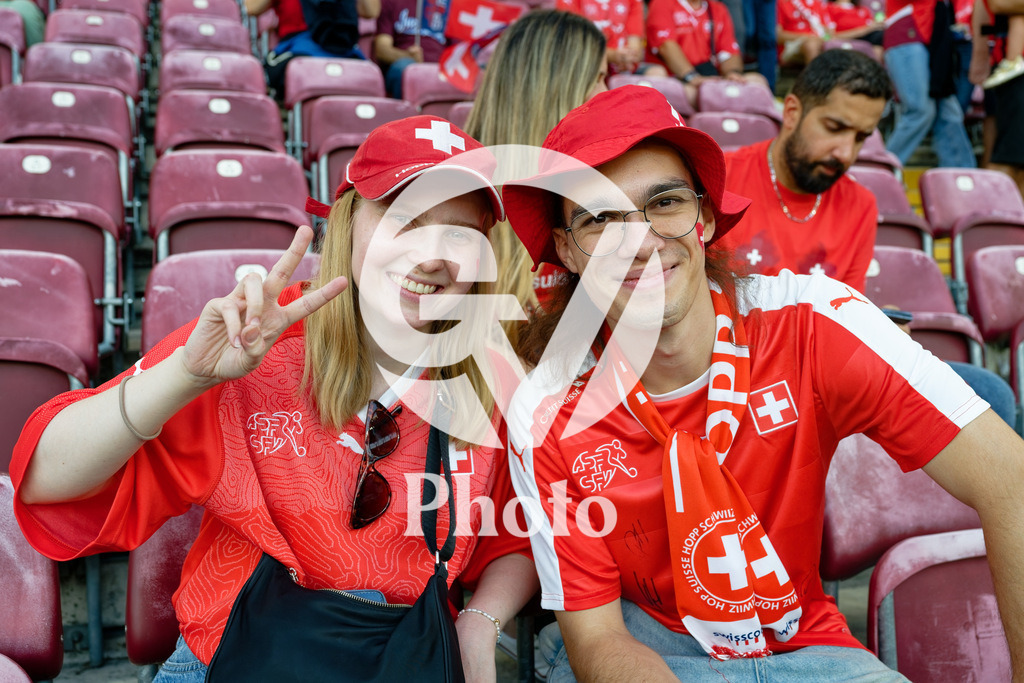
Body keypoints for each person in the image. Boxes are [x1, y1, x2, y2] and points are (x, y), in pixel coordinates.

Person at [501, 85, 1024, 681]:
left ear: (703, 215)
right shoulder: (546, 408)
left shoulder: (814, 321)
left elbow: (1012, 482)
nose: (641, 241)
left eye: (665, 203)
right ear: (567, 251)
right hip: (649, 647)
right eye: (600, 219)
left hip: (809, 647)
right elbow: (598, 640)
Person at [11, 116, 538, 681]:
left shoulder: (492, 377)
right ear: (347, 221)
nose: (432, 257)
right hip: (237, 658)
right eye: (404, 218)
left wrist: (481, 622)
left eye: (459, 233)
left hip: (404, 659)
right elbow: (48, 479)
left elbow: (519, 533)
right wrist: (187, 375)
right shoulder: (255, 340)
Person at [463, 8, 608, 340]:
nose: (607, 92)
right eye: (598, 77)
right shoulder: (456, 201)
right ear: (558, 88)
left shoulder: (602, 189)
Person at [720, 48, 892, 293]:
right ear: (791, 113)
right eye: (834, 128)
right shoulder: (718, 180)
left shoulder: (860, 205)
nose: (845, 153)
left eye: (860, 137)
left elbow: (844, 316)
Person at [883, 0, 977, 167]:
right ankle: (881, 171)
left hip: (936, 38)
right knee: (920, 111)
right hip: (908, 33)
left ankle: (961, 178)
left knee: (948, 111)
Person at [646, 0, 771, 108]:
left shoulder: (718, 9)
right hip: (677, 79)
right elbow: (666, 47)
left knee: (758, 81)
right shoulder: (662, 3)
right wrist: (693, 78)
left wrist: (733, 74)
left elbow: (729, 52)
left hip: (709, 76)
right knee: (696, 94)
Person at [246, 0, 379, 94]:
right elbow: (252, 8)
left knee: (370, 76)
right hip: (299, 46)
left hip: (342, 46)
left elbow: (371, 12)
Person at [556, 0, 667, 75]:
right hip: (583, 67)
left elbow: (635, 45)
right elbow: (574, 44)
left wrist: (628, 57)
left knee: (657, 72)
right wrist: (612, 55)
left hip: (622, 68)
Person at [373, 0, 447, 99]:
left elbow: (459, 50)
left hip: (441, 67)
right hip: (405, 64)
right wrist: (407, 56)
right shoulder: (391, 2)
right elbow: (382, 50)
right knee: (404, 69)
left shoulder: (448, 5)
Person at [776, 0, 884, 66]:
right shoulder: (782, 2)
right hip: (792, 45)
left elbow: (831, 33)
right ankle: (815, 88)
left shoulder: (817, 4)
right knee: (812, 44)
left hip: (821, 40)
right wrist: (808, 37)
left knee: (876, 50)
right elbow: (778, 35)